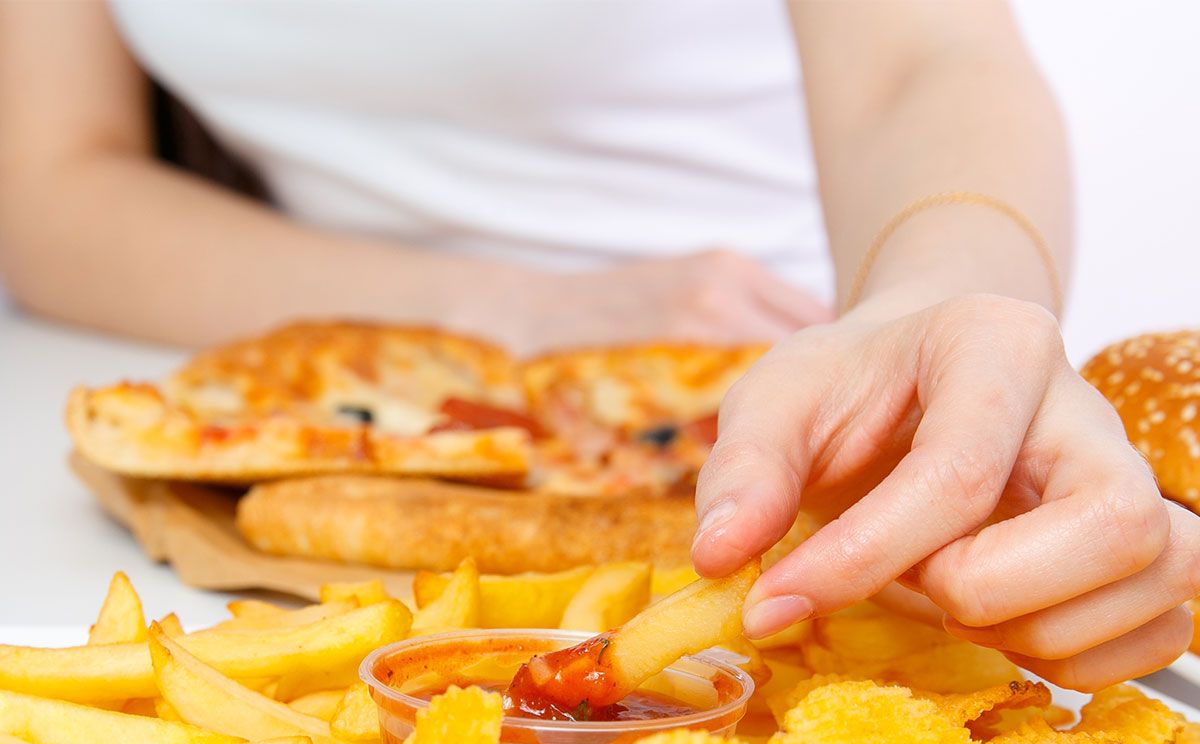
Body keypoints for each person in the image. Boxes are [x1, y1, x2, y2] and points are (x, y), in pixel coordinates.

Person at [0, 0, 1195, 689]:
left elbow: (923, 62)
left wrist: (930, 304)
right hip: (313, 364)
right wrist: (518, 317)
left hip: (770, 378)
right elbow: (50, 190)